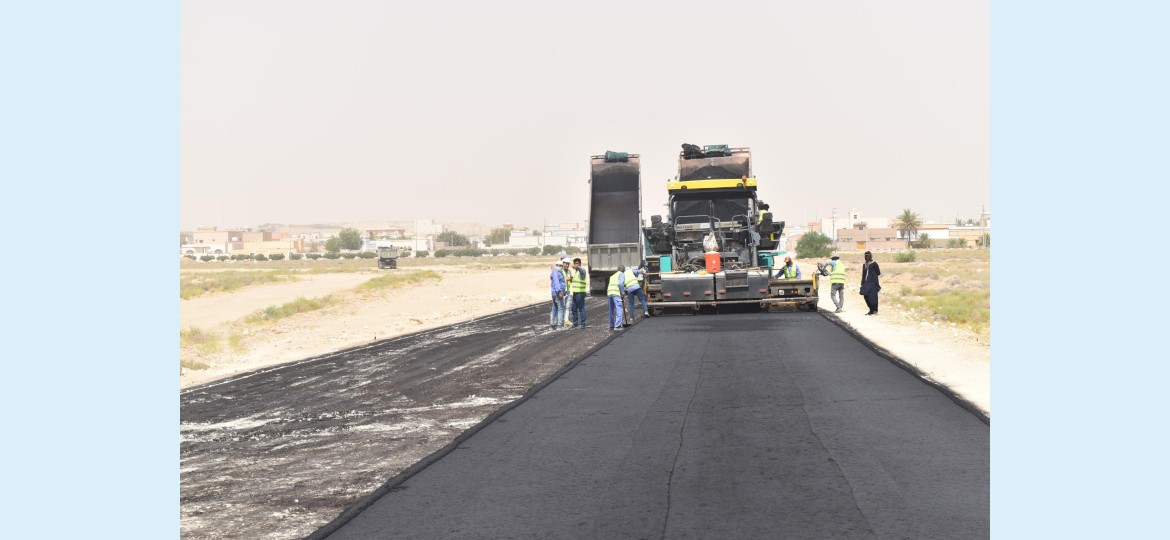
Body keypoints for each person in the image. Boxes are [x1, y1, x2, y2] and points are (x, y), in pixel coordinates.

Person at [860, 251, 881, 315]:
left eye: (868, 256)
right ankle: (871, 309)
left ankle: (875, 310)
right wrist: (862, 283)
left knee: (873, 297)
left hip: (873, 282)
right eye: (865, 256)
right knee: (865, 296)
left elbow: (878, 272)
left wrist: (872, 276)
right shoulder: (864, 264)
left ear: (870, 256)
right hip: (866, 283)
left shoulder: (874, 263)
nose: (866, 257)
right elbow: (863, 274)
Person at [607, 265, 627, 331]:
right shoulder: (621, 274)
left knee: (611, 310)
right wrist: (622, 293)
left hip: (610, 293)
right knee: (619, 309)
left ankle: (611, 324)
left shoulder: (613, 276)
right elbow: (620, 284)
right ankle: (617, 326)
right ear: (623, 270)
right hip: (616, 293)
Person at [569, 258, 587, 328]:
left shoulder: (582, 271)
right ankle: (575, 323)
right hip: (575, 292)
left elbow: (581, 270)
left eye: (577, 263)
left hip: (580, 293)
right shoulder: (576, 272)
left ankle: (583, 324)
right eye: (575, 263)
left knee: (581, 308)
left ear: (580, 264)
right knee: (574, 308)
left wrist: (577, 267)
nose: (576, 265)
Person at [549, 259, 567, 329]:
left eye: (561, 266)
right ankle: (559, 325)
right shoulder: (556, 272)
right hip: (557, 293)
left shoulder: (555, 272)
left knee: (554, 308)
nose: (561, 267)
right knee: (560, 308)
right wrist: (559, 291)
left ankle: (552, 324)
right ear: (557, 265)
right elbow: (556, 282)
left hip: (554, 293)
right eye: (560, 266)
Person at [560, 258, 574, 326]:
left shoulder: (569, 271)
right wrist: (567, 279)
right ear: (563, 264)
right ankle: (560, 320)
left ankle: (566, 320)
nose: (567, 265)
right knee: (561, 307)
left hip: (567, 291)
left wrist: (571, 279)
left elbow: (571, 279)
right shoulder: (560, 271)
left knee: (567, 306)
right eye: (566, 264)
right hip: (561, 291)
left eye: (568, 264)